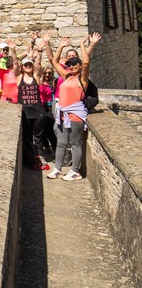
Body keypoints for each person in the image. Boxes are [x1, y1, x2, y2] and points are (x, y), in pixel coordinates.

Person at [46, 33, 101, 181]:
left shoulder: (82, 80)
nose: (70, 67)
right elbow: (54, 61)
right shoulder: (67, 76)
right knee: (61, 143)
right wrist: (61, 46)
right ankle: (57, 169)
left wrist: (84, 45)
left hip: (76, 114)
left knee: (75, 143)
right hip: (63, 114)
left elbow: (86, 63)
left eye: (74, 65)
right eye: (69, 65)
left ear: (79, 67)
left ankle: (75, 171)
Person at [16, 50, 50, 169]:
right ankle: (30, 158)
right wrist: (15, 50)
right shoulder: (19, 77)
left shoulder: (36, 77)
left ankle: (40, 156)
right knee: (27, 137)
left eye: (30, 64)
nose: (28, 66)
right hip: (25, 112)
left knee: (38, 137)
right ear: (22, 67)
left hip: (38, 112)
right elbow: (15, 64)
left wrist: (39, 53)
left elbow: (39, 67)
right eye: (26, 65)